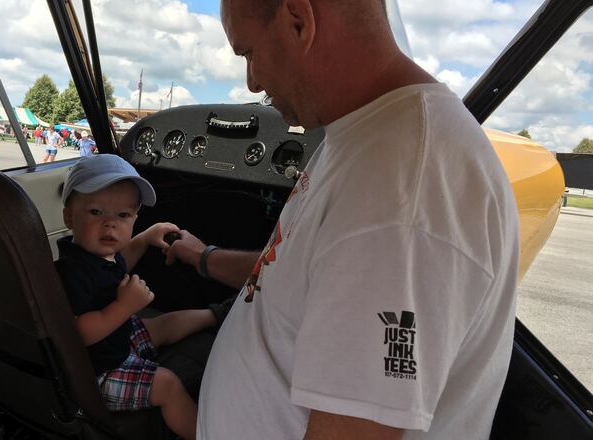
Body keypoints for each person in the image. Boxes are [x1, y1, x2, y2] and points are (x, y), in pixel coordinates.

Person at [165, 1, 520, 439]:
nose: (252, 81)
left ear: (299, 21)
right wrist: (205, 257)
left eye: (249, 53)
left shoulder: (401, 191)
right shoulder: (363, 135)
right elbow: (293, 272)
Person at [55, 154, 224, 440]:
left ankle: (219, 313)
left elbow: (122, 261)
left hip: (114, 341)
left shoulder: (98, 254)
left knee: (162, 324)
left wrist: (145, 238)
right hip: (94, 374)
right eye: (96, 212)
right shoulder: (72, 271)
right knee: (168, 385)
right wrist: (124, 306)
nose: (110, 224)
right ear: (69, 217)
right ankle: (206, 435)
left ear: (134, 218)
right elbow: (78, 334)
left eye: (123, 215)